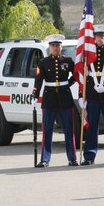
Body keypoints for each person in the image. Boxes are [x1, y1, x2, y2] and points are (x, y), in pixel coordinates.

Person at [32, 34, 78, 168]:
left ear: (61, 47)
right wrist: (35, 95)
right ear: (49, 47)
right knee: (47, 131)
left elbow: (76, 74)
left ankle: (72, 158)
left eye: (58, 45)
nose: (55, 48)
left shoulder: (68, 60)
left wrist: (68, 84)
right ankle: (45, 159)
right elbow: (38, 80)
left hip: (65, 98)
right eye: (53, 46)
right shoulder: (43, 62)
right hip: (49, 98)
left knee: (69, 130)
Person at [80, 24, 104, 165]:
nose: (99, 38)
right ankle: (89, 156)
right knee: (92, 126)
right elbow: (83, 74)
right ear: (94, 37)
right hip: (92, 94)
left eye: (102, 36)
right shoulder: (88, 53)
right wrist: (81, 95)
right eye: (97, 36)